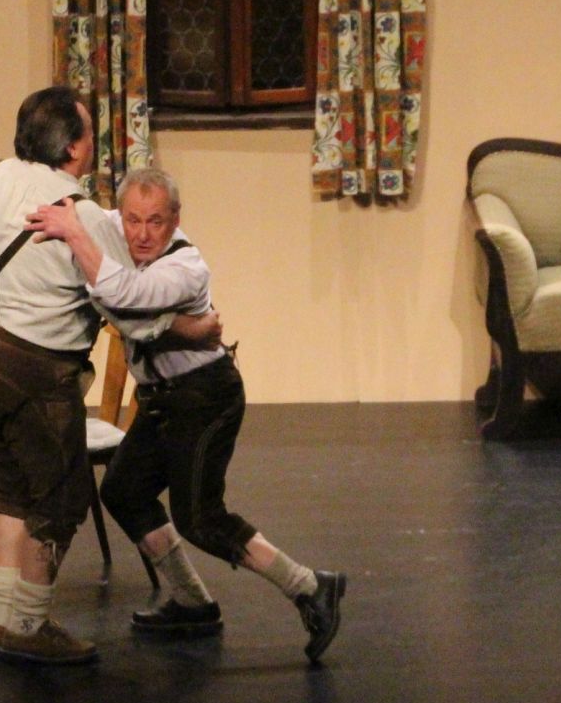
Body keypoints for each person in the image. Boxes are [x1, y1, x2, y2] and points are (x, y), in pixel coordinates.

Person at [0, 87, 212, 666]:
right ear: (77, 147)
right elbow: (124, 307)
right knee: (59, 498)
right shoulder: (79, 215)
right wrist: (192, 327)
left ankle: (5, 619)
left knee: (14, 492)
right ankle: (29, 624)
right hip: (31, 369)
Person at [26, 167, 348, 663]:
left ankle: (310, 586)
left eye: (155, 221)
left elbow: (123, 298)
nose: (141, 234)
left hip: (206, 395)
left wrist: (75, 236)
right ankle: (192, 601)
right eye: (133, 220)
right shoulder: (115, 232)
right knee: (123, 491)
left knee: (199, 517)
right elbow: (99, 240)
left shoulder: (186, 267)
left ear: (175, 219)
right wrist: (66, 212)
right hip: (162, 399)